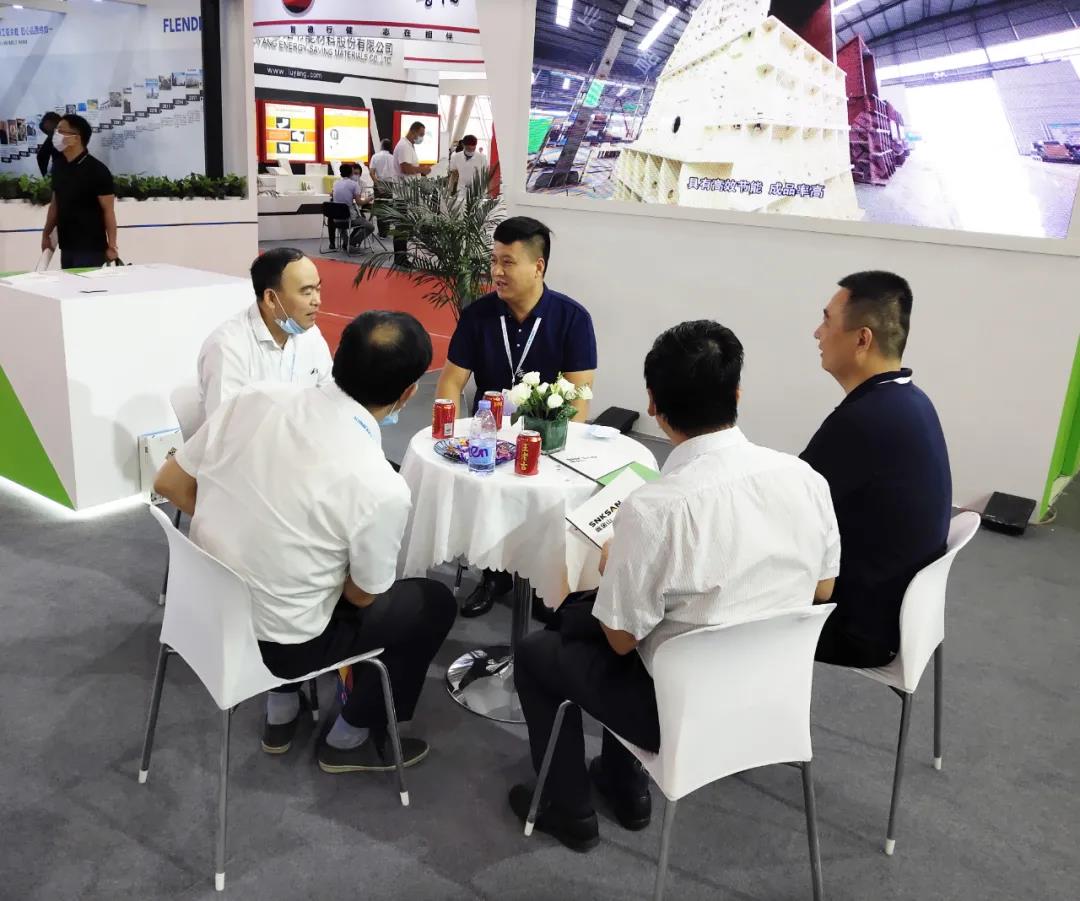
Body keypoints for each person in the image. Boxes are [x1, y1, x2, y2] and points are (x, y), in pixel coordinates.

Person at [508, 320, 841, 851]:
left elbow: (620, 639)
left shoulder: (655, 509)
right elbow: (823, 589)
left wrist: (618, 563)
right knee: (650, 623)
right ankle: (625, 787)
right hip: (776, 700)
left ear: (653, 404)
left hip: (679, 712)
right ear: (737, 393)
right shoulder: (805, 478)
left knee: (541, 651)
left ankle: (567, 808)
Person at [153, 311, 457, 770]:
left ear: (338, 356)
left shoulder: (252, 399)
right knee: (432, 603)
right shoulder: (380, 485)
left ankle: (282, 707)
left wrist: (246, 522)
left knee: (290, 569)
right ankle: (350, 736)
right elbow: (363, 594)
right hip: (281, 647)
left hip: (202, 613)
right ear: (408, 393)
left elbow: (170, 483)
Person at [435, 216, 597, 617]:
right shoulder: (478, 315)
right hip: (486, 440)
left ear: (538, 266)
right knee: (490, 506)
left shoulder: (572, 319)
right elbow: (451, 381)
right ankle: (494, 574)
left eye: (507, 262)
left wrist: (560, 448)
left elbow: (579, 397)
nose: (496, 271)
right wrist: (450, 436)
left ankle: (542, 581)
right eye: (494, 260)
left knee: (541, 509)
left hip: (544, 441)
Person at [801, 271, 951, 668]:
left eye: (827, 321)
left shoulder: (864, 422)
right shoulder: (911, 402)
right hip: (900, 614)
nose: (817, 333)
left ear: (862, 339)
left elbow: (782, 505)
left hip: (858, 629)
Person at [197, 248, 333, 418]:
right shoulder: (227, 348)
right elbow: (225, 427)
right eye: (307, 292)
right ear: (271, 298)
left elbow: (329, 398)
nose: (317, 301)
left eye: (318, 289)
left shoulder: (311, 336)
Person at [39, 114, 117, 269]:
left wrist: (112, 245)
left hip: (91, 248)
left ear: (76, 138)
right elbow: (55, 205)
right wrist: (46, 233)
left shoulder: (97, 170)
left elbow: (108, 211)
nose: (56, 135)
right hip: (67, 246)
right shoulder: (58, 167)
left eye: (61, 131)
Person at [391, 121, 432, 265]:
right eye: (421, 134)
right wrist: (422, 170)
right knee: (402, 226)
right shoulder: (404, 146)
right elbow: (406, 169)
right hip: (403, 194)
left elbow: (410, 167)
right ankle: (400, 258)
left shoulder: (408, 145)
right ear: (413, 131)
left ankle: (401, 256)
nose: (421, 137)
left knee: (405, 226)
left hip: (407, 193)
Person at [328, 162, 374, 251]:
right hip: (349, 218)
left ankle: (346, 243)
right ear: (351, 173)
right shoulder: (354, 185)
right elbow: (359, 202)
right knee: (370, 227)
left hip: (336, 219)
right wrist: (369, 199)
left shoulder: (336, 183)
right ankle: (351, 242)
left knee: (348, 223)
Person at [369, 138, 396, 239]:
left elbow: (371, 173)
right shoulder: (393, 158)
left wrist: (378, 184)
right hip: (390, 184)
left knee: (380, 208)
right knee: (388, 207)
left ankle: (382, 233)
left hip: (379, 182)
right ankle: (386, 232)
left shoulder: (375, 156)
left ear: (381, 146)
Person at [37, 112, 62, 176]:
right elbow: (41, 157)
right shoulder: (51, 136)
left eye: (46, 122)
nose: (45, 125)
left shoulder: (59, 134)